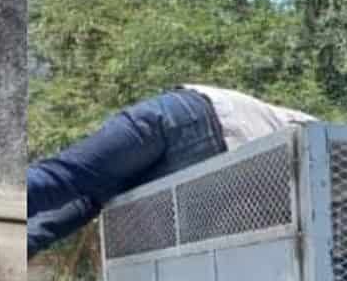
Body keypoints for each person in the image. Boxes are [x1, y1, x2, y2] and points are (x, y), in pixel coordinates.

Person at [27, 84, 315, 257]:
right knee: (70, 183)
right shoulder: (326, 146)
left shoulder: (310, 150)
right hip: (204, 125)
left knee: (74, 186)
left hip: (182, 117)